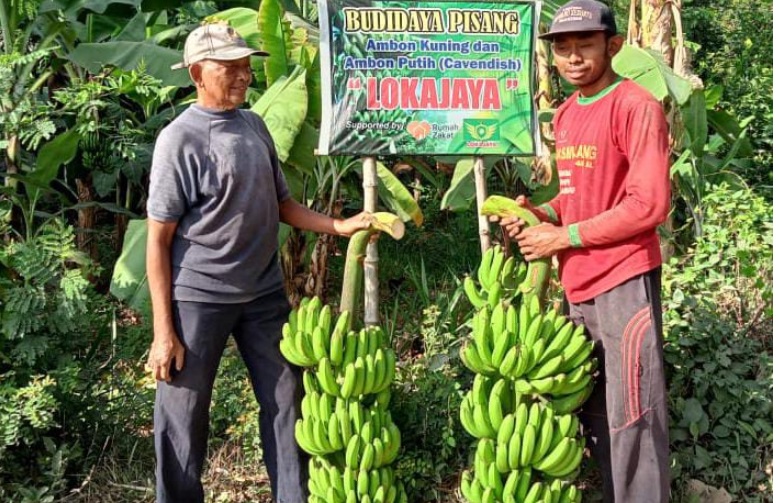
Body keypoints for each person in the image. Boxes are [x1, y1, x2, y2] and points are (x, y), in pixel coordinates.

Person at [145, 22, 370, 503]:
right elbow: (158, 241)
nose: (244, 76)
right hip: (199, 298)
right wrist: (164, 332)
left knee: (288, 400)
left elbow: (283, 205)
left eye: (247, 66)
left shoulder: (254, 126)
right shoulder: (178, 140)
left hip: (264, 293)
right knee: (182, 416)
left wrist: (339, 226)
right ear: (197, 73)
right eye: (231, 67)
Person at [493, 1, 671, 501]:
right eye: (563, 48)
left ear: (613, 46)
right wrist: (542, 215)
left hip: (623, 279)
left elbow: (647, 204)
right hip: (579, 283)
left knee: (634, 408)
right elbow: (576, 195)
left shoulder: (635, 106)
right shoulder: (569, 113)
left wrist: (563, 238)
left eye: (585, 46)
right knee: (594, 408)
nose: (572, 57)